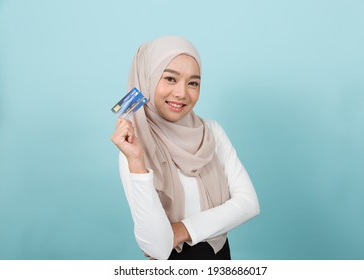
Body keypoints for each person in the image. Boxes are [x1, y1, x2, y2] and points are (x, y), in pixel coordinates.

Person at [111, 36, 260, 260]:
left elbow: (249, 204)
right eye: (170, 78)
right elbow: (157, 248)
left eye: (193, 83)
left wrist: (181, 229)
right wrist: (136, 162)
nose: (182, 93)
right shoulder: (134, 148)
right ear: (147, 79)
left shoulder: (211, 132)